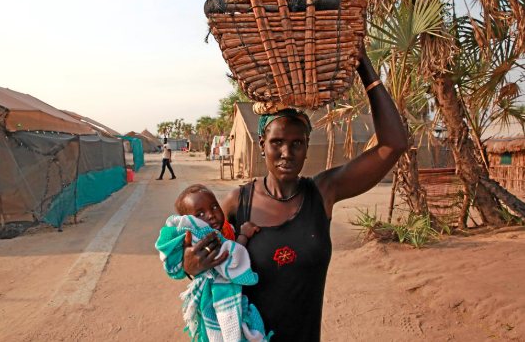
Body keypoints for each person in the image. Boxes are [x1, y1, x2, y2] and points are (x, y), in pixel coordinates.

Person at [180, 46, 408, 341]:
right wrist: (190, 264)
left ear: (306, 145)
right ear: (262, 144)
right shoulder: (239, 202)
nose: (286, 153)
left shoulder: (324, 192)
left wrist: (362, 63)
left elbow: (394, 146)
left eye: (297, 143)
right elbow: (203, 257)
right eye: (277, 142)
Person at [155, 185, 271, 342]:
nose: (211, 215)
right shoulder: (204, 237)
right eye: (200, 213)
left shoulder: (226, 229)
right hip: (215, 296)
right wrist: (243, 235)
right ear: (190, 221)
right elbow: (230, 257)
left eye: (215, 206)